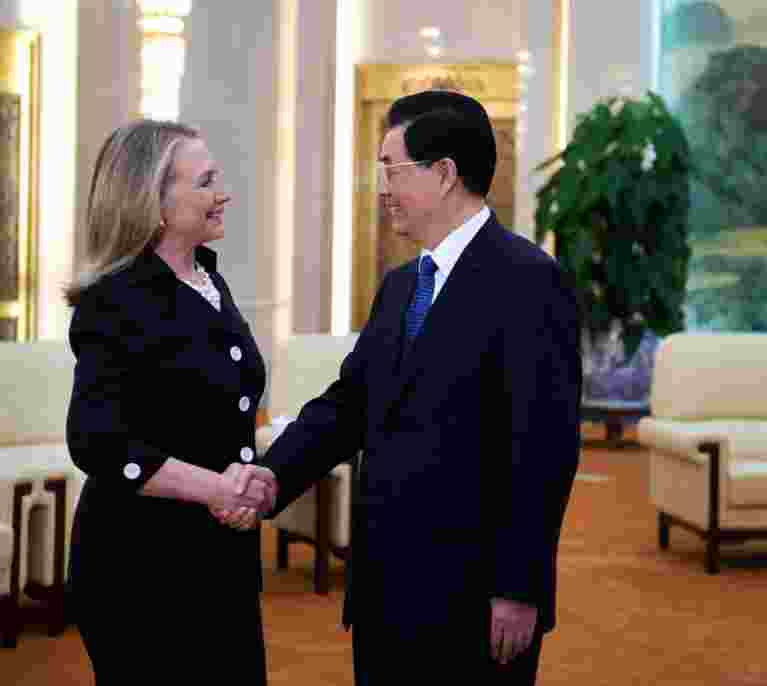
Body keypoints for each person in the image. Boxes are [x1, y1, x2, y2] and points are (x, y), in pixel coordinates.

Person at [250, 90, 582, 684]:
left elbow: (543, 452)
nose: (381, 187)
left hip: (474, 600)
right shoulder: (403, 285)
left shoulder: (531, 282)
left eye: (390, 168)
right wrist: (273, 475)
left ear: (445, 174)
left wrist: (518, 588)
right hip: (385, 590)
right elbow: (350, 403)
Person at [65, 120, 278, 685]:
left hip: (219, 560)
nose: (223, 192)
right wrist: (219, 489)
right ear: (154, 201)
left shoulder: (207, 277)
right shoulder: (116, 299)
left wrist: (246, 483)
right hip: (141, 570)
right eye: (206, 180)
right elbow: (97, 439)